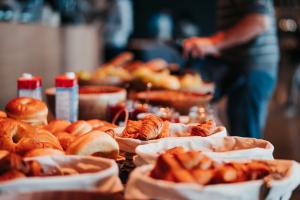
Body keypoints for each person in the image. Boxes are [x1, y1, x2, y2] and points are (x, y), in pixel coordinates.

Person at [183, 0, 279, 138]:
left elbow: (259, 21)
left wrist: (214, 44)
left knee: (246, 139)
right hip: (239, 64)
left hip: (252, 67)